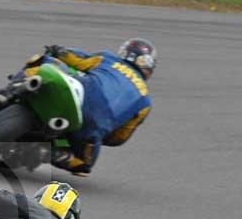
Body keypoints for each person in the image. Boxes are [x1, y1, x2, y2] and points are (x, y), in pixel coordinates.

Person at [22, 38, 157, 177]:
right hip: (92, 128)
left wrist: (58, 52)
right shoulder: (145, 102)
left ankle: (5, 95)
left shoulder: (109, 59)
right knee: (83, 164)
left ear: (125, 52)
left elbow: (75, 59)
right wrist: (101, 132)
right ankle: (48, 151)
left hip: (82, 94)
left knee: (43, 61)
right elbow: (119, 137)